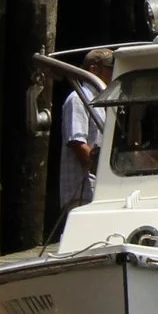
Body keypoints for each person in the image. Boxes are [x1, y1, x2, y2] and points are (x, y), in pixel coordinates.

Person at [55, 46, 113, 219]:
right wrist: (108, 171)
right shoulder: (78, 99)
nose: (115, 72)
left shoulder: (102, 101)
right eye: (111, 67)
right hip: (82, 194)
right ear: (94, 69)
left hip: (98, 191)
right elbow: (78, 144)